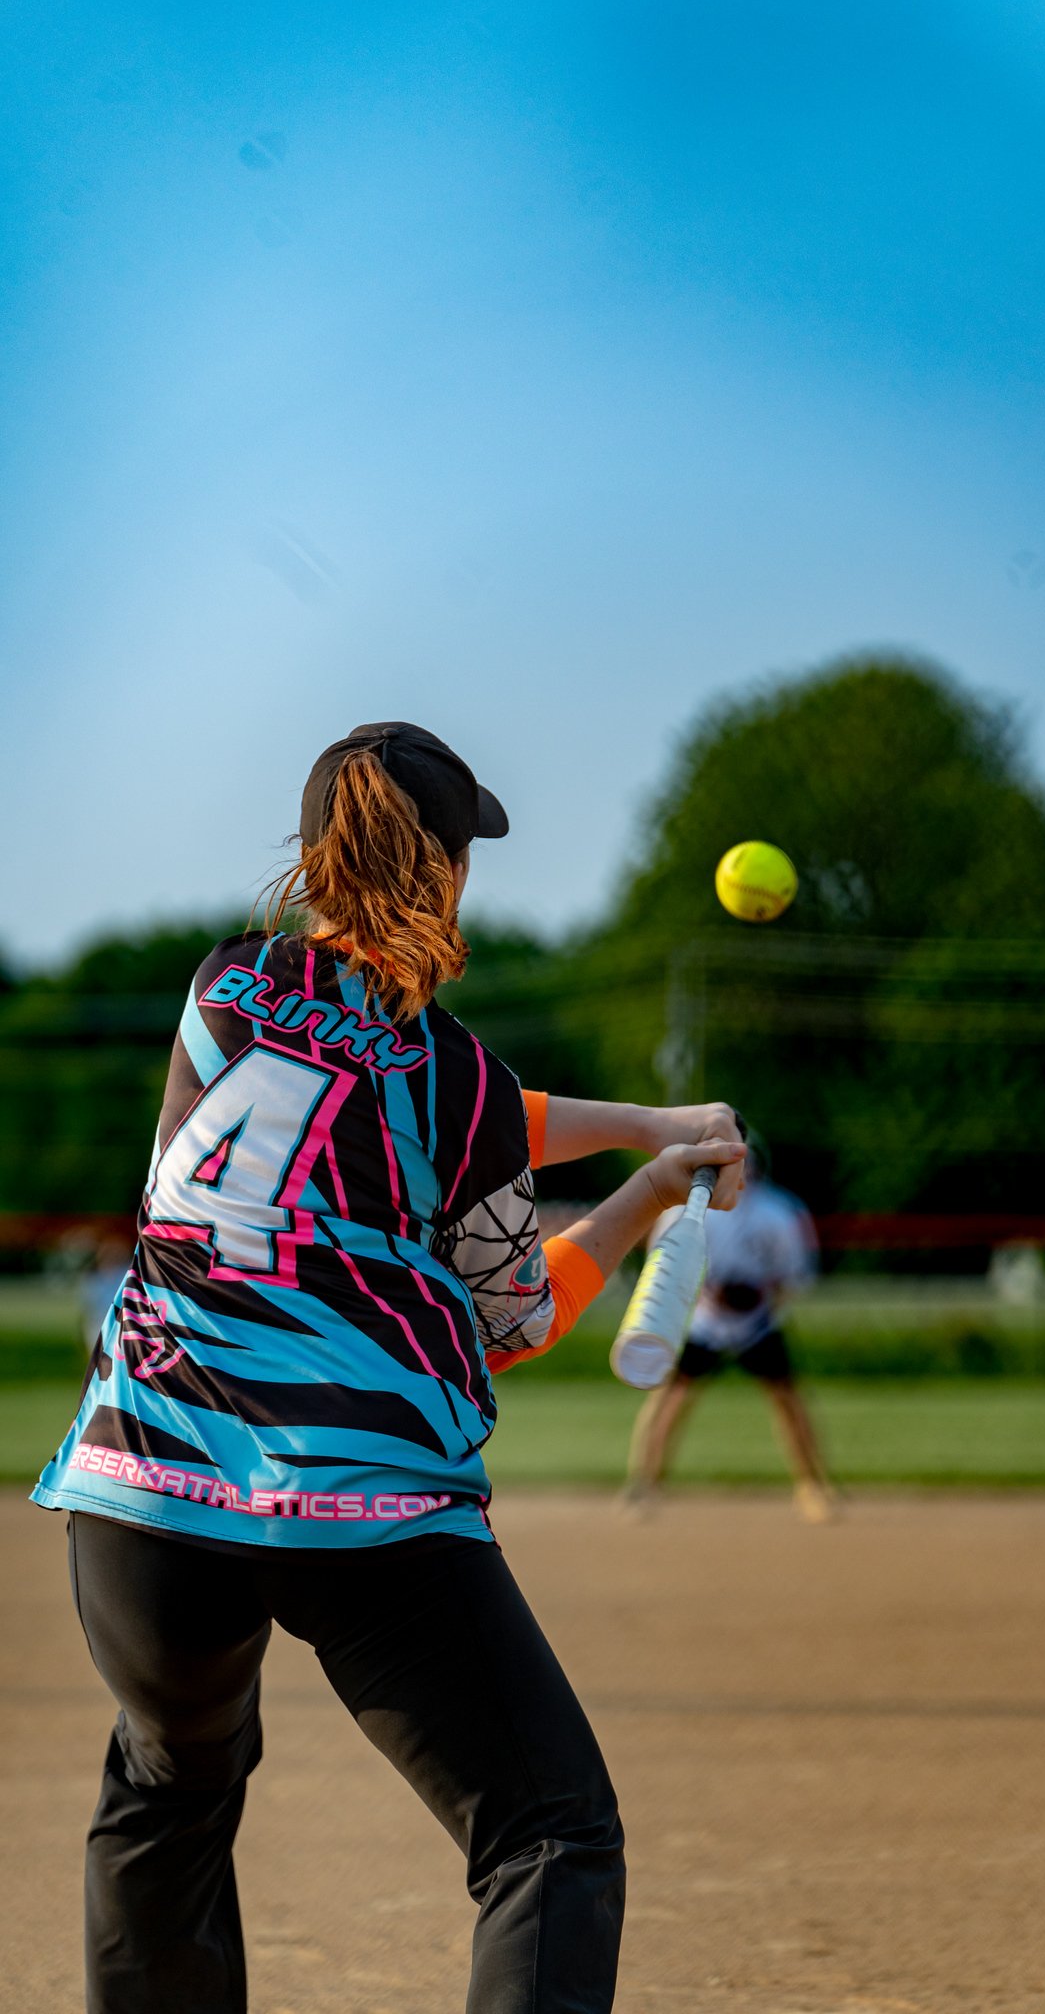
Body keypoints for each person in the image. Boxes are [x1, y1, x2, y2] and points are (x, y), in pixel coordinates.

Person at [32, 720, 744, 2014]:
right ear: (451, 875)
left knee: (170, 1786)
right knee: (547, 1835)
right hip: (364, 1501)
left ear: (310, 863)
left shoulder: (219, 989)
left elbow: (388, 1090)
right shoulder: (459, 1081)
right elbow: (513, 1320)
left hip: (143, 1485)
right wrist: (646, 1188)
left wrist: (644, 1131)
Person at [622, 1138, 836, 1523]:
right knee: (670, 1398)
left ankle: (813, 1485)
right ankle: (644, 1484)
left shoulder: (776, 1213)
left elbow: (794, 1273)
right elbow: (665, 1264)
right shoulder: (689, 1212)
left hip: (758, 1322)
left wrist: (758, 1297)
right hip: (704, 1320)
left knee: (787, 1399)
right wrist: (707, 1293)